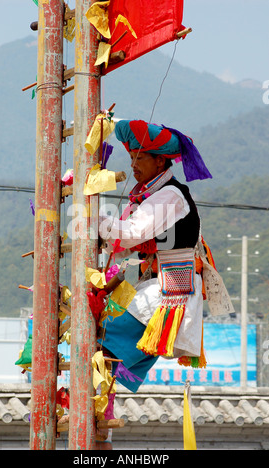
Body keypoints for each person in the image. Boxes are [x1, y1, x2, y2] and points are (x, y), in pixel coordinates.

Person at [98, 119, 226, 392]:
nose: (133, 164)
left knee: (98, 340)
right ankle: (101, 418)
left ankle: (93, 415)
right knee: (111, 370)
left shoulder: (169, 195)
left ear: (160, 162)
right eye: (131, 157)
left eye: (140, 157)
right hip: (156, 288)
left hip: (167, 294)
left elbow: (130, 234)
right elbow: (121, 246)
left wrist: (91, 217)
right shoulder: (146, 196)